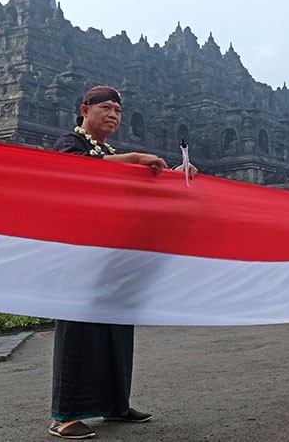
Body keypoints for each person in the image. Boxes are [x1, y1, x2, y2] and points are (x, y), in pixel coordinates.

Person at [49, 85, 195, 439]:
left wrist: (176, 176)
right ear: (85, 109)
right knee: (79, 331)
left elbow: (139, 195)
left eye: (118, 110)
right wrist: (134, 159)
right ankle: (64, 415)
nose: (114, 114)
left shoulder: (110, 151)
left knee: (116, 329)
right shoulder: (69, 144)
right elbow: (79, 171)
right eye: (107, 108)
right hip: (80, 253)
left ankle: (116, 404)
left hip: (113, 255)